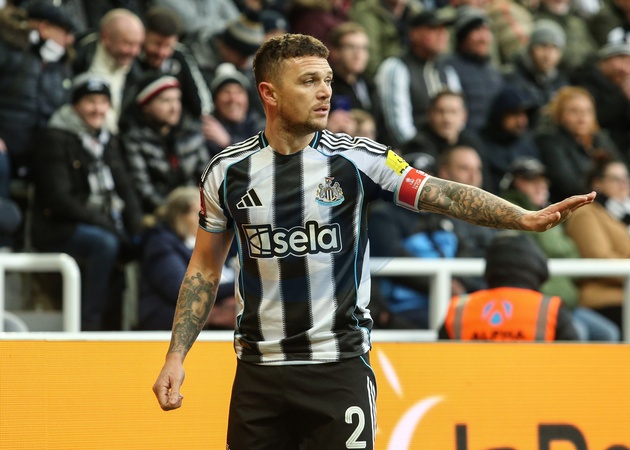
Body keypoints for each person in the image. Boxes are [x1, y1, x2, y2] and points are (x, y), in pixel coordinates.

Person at [152, 33, 595, 449]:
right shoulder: (227, 171)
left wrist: (523, 217)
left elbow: (441, 193)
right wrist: (175, 356)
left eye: (328, 80)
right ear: (269, 93)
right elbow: (204, 269)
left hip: (338, 368)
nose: (325, 92)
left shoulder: (358, 158)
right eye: (309, 81)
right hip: (258, 373)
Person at [31, 73, 142, 331]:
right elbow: (59, 200)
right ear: (75, 105)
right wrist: (108, 226)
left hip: (103, 222)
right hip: (59, 227)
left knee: (146, 240)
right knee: (105, 243)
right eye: (90, 101)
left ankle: (134, 326)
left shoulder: (107, 139)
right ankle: (89, 323)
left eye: (103, 102)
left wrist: (137, 229)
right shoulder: (55, 138)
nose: (97, 109)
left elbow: (126, 188)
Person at [500, 157, 621, 341]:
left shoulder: (550, 211)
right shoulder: (510, 214)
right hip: (538, 303)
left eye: (543, 180)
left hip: (566, 304)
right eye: (531, 181)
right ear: (516, 182)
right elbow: (538, 254)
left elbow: (573, 253)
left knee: (608, 333)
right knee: (578, 333)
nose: (540, 186)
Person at [439, 231, 579, 341]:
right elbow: (572, 360)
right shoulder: (550, 309)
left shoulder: (459, 309)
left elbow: (439, 360)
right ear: (535, 266)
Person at [137, 186, 236, 331]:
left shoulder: (203, 243)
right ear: (181, 216)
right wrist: (240, 285)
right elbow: (182, 291)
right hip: (169, 322)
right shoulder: (160, 244)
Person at [0, 1, 76, 179]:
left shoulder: (62, 67)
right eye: (65, 32)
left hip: (39, 153)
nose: (70, 40)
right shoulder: (7, 49)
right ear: (44, 28)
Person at [119, 72, 210, 216]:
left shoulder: (191, 132)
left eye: (177, 100)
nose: (174, 108)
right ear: (145, 105)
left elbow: (207, 179)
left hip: (195, 209)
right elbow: (143, 189)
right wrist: (174, 213)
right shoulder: (133, 139)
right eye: (166, 101)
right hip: (158, 214)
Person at [375, 9, 462, 148]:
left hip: (444, 149)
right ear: (414, 34)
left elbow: (459, 116)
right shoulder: (396, 67)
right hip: (409, 151)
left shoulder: (447, 71)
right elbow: (399, 128)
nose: (442, 35)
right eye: (434, 29)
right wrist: (423, 150)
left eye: (444, 29)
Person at [565, 156, 630, 338]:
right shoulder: (586, 213)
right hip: (603, 297)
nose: (624, 184)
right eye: (616, 179)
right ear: (598, 183)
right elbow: (599, 257)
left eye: (626, 178)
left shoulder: (622, 215)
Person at [533, 85, 622, 203]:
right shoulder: (550, 140)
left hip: (612, 200)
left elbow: (622, 169)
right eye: (574, 111)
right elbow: (569, 184)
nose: (582, 116)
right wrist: (605, 191)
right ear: (560, 115)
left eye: (588, 111)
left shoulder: (600, 139)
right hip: (577, 205)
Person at [123, 6, 213, 120]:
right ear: (144, 35)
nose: (161, 52)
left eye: (167, 46)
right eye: (157, 44)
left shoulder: (180, 56)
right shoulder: (130, 54)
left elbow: (202, 106)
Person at [72, 8, 145, 132]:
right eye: (128, 44)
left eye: (138, 45)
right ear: (106, 37)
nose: (134, 52)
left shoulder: (136, 73)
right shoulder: (78, 54)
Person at [445, 6, 504, 131]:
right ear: (462, 36)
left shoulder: (493, 71)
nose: (484, 38)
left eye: (486, 31)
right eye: (477, 31)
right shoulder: (447, 69)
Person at [570, 42, 630, 162]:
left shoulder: (620, 85)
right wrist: (623, 98)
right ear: (605, 60)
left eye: (628, 63)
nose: (625, 69)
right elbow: (595, 119)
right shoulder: (585, 81)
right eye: (622, 59)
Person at [502, 19, 571, 123]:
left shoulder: (561, 82)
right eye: (543, 46)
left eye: (554, 48)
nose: (548, 55)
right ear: (530, 49)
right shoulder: (511, 76)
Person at [476, 84, 540, 194]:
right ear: (500, 115)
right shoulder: (479, 143)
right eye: (515, 114)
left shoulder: (527, 144)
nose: (521, 121)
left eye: (525, 114)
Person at [204, 62, 266, 158]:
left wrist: (228, 142)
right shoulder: (206, 129)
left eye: (238, 92)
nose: (233, 99)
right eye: (226, 92)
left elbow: (263, 159)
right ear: (215, 100)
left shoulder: (263, 128)